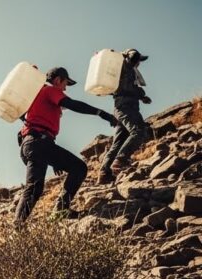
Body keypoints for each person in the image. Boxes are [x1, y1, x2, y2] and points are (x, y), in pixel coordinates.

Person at [15, 67, 120, 222]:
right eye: (65, 84)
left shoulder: (37, 96)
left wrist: (54, 161)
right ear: (58, 80)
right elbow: (73, 104)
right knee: (78, 168)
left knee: (35, 187)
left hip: (32, 145)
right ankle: (59, 210)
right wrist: (102, 113)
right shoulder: (50, 90)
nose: (65, 89)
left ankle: (20, 225)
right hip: (39, 143)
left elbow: (36, 123)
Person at [98, 49, 151, 184]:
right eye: (137, 59)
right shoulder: (125, 68)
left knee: (119, 142)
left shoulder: (121, 71)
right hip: (126, 107)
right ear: (131, 57)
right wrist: (141, 93)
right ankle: (120, 161)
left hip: (122, 108)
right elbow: (128, 88)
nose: (139, 62)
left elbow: (124, 88)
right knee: (138, 131)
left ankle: (104, 174)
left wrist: (142, 97)